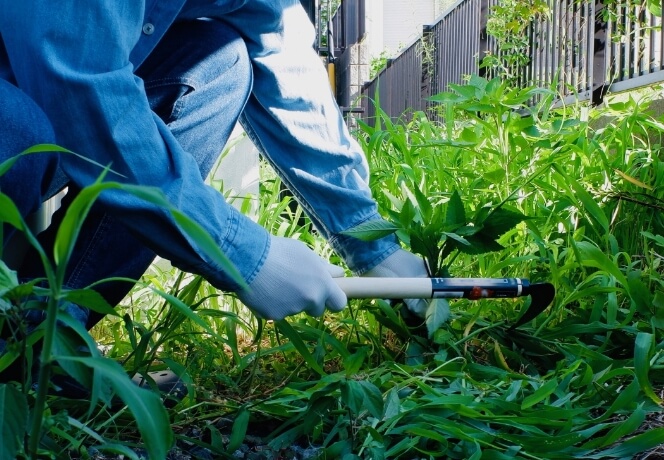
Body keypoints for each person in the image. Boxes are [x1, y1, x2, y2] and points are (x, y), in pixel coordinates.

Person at [0, 0, 444, 376]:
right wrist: (242, 253)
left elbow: (279, 47)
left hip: (44, 100)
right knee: (17, 125)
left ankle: (40, 335)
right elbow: (76, 78)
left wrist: (370, 241)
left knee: (217, 63)